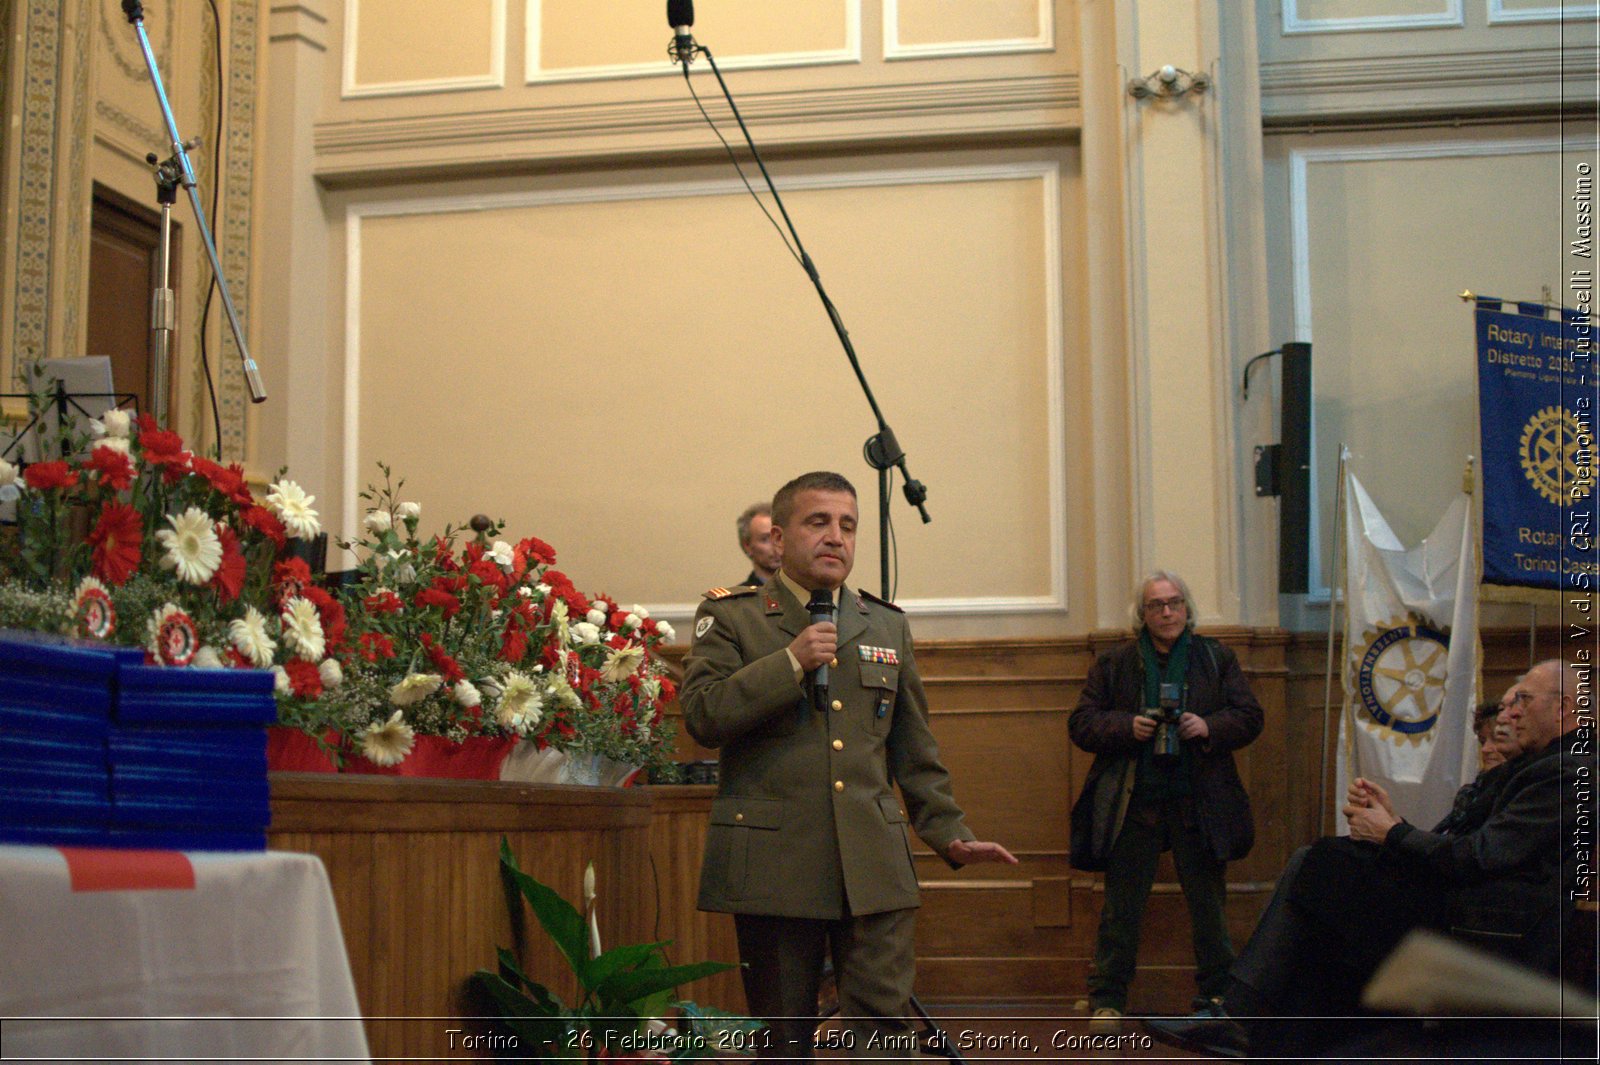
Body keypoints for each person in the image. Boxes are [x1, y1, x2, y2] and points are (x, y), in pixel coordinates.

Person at [681, 471, 1016, 1059]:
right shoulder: (732, 616)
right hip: (775, 864)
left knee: (884, 1035)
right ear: (778, 539)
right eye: (818, 522)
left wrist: (949, 832)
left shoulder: (885, 622)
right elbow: (704, 716)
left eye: (848, 525)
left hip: (873, 863)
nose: (836, 537)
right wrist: (788, 662)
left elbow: (914, 748)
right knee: (783, 1040)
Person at [1148, 660, 1589, 1058]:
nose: (1510, 713)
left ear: (1564, 708)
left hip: (1496, 924)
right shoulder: (1539, 766)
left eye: (1523, 701)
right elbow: (1468, 844)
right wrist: (1393, 824)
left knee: (1323, 865)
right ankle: (1261, 1032)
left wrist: (1392, 833)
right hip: (1474, 903)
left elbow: (1477, 856)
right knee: (1326, 879)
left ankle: (1243, 1019)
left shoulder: (1565, 771)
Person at [1067, 572, 1264, 1032]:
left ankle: (1217, 996)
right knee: (1121, 907)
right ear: (1143, 614)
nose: (1168, 612)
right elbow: (1081, 723)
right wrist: (1125, 727)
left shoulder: (1216, 658)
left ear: (1187, 607)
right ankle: (1108, 1000)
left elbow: (1251, 716)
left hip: (1200, 802)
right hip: (1136, 801)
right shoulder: (1116, 663)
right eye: (1157, 605)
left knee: (1209, 908)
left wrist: (1209, 727)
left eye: (1174, 603)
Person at [735, 502, 781, 587]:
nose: (776, 546)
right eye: (765, 539)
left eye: (779, 537)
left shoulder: (810, 592)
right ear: (747, 546)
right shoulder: (738, 599)